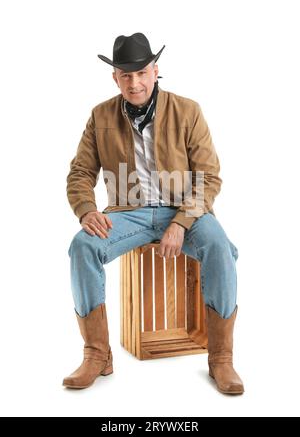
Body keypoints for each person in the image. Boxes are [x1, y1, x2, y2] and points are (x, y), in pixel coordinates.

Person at [63, 32, 244, 394]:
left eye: (142, 72)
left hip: (184, 211)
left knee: (220, 248)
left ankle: (221, 359)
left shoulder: (187, 110)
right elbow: (80, 173)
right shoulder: (100, 116)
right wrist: (85, 210)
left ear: (156, 71)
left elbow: (209, 177)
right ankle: (97, 354)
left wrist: (180, 223)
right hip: (127, 213)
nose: (135, 82)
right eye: (125, 75)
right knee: (82, 246)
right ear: (115, 77)